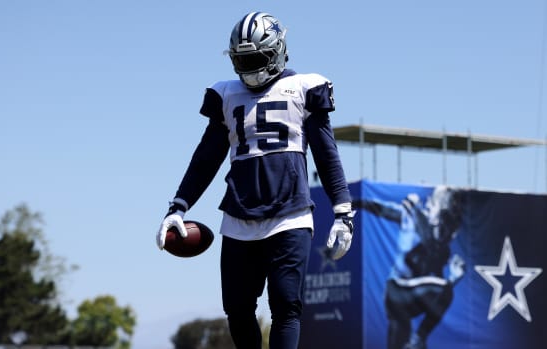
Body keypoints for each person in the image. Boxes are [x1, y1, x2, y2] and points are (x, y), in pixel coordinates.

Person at [156, 11, 353, 349]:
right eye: (241, 59)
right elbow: (207, 157)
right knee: (237, 310)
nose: (247, 67)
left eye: (255, 58)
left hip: (289, 215)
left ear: (276, 51)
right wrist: (178, 206)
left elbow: (326, 153)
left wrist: (343, 212)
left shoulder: (304, 88)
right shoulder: (226, 94)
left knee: (286, 307)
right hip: (238, 218)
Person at [355, 186, 466, 349]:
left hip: (408, 303)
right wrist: (354, 203)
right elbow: (382, 209)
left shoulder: (442, 250)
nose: (442, 232)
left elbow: (436, 294)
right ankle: (419, 338)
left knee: (397, 343)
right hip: (397, 290)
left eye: (447, 227)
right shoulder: (414, 217)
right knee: (445, 288)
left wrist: (454, 278)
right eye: (431, 205)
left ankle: (416, 340)